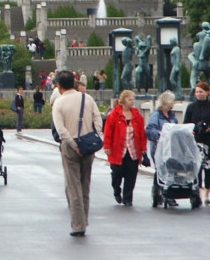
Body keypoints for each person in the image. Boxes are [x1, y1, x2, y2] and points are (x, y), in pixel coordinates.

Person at [52, 70, 103, 237]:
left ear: (59, 85)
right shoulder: (87, 98)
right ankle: (84, 219)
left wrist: (75, 146)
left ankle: (78, 225)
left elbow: (61, 130)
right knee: (85, 184)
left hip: (70, 146)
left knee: (73, 187)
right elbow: (98, 120)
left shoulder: (59, 103)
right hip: (88, 144)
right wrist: (93, 138)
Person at [103, 89, 146, 206]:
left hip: (132, 151)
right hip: (118, 150)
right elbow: (107, 132)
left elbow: (142, 134)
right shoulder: (114, 115)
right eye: (129, 99)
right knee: (117, 173)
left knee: (131, 174)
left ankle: (128, 198)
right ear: (123, 101)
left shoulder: (137, 116)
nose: (132, 101)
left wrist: (143, 148)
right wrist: (107, 146)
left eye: (133, 99)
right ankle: (117, 190)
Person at [183, 81, 210, 205]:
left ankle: (207, 194)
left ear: (207, 92)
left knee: (208, 169)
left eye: (201, 91)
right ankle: (199, 192)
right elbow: (186, 123)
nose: (199, 94)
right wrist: (192, 129)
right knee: (198, 169)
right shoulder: (191, 107)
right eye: (197, 92)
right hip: (197, 142)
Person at [146, 90, 179, 206]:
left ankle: (170, 194)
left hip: (171, 147)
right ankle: (157, 192)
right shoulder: (156, 115)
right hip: (159, 147)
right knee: (161, 170)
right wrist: (159, 133)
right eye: (172, 101)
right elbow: (150, 130)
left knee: (171, 170)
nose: (173, 103)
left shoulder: (172, 115)